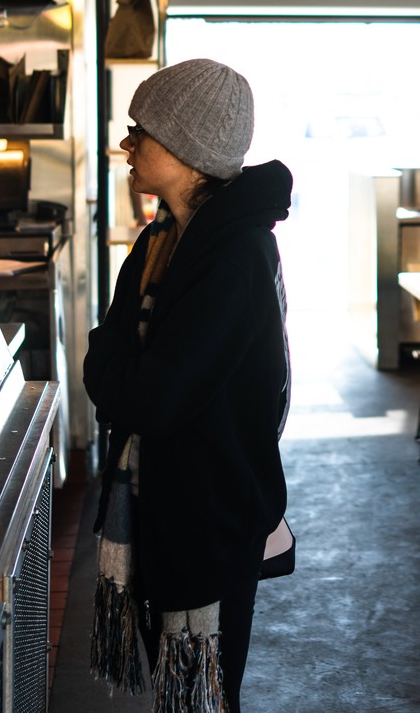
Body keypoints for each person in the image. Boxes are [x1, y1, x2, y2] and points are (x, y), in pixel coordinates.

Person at [84, 58, 291, 712]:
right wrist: (119, 372)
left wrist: (118, 373)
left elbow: (151, 395)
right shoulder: (160, 240)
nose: (128, 143)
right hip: (160, 504)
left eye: (142, 130)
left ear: (191, 150)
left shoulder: (235, 255)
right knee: (180, 694)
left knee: (202, 695)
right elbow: (107, 362)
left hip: (210, 513)